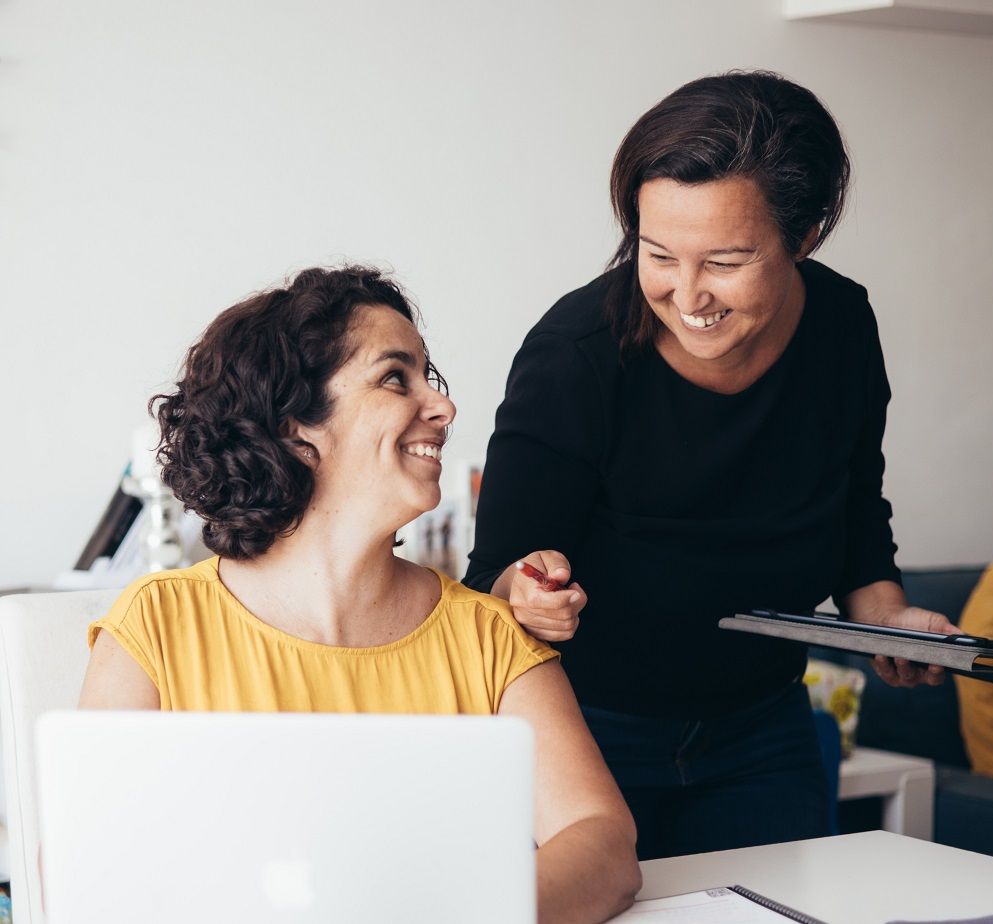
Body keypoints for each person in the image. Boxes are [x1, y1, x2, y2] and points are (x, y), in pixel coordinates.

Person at [463, 71, 958, 861]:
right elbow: (491, 583)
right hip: (588, 735)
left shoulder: (841, 327)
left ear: (804, 237)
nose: (686, 294)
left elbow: (856, 501)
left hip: (762, 729)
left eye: (725, 262)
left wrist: (887, 617)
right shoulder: (576, 355)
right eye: (657, 254)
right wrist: (524, 594)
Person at [78, 266, 641, 924]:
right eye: (395, 377)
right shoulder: (158, 626)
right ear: (296, 428)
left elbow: (603, 844)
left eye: (431, 377)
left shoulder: (488, 637)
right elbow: (87, 866)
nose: (443, 406)